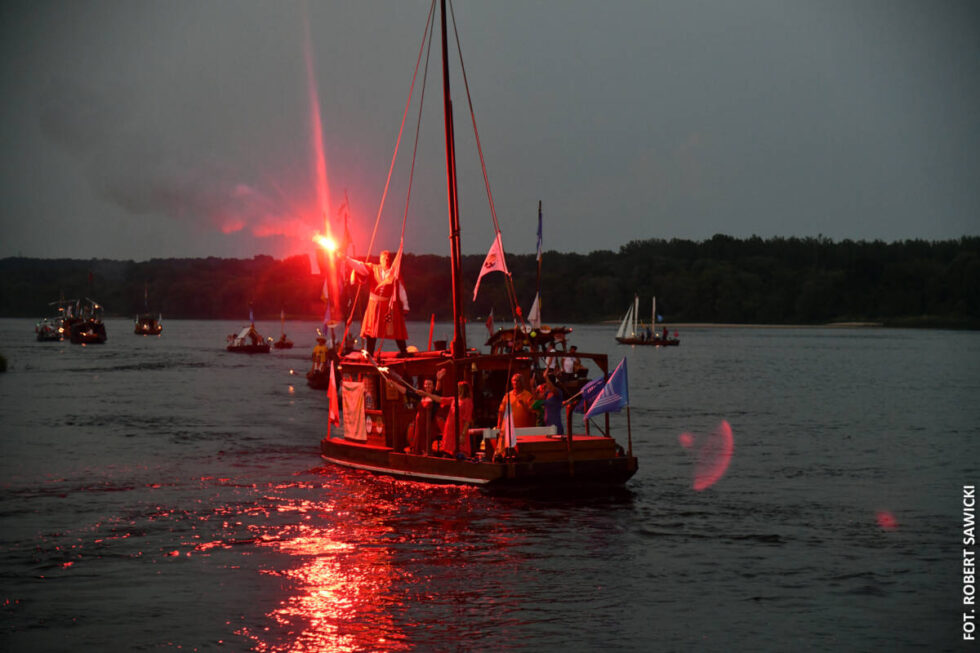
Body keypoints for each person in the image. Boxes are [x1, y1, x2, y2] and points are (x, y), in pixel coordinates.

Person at [345, 250, 409, 357]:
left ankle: (404, 351)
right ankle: (370, 353)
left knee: (396, 329)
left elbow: (401, 289)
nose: (387, 261)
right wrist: (346, 259)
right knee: (372, 330)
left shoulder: (394, 272)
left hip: (389, 306)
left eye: (388, 259)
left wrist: (405, 305)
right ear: (381, 260)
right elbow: (359, 266)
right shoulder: (373, 268)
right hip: (374, 305)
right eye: (384, 258)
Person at [494, 373, 536, 458]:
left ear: (522, 382)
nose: (515, 382)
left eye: (517, 381)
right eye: (514, 380)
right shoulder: (508, 396)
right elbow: (501, 411)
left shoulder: (528, 395)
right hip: (509, 429)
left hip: (523, 430)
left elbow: (534, 412)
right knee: (505, 451)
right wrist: (499, 425)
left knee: (521, 454)